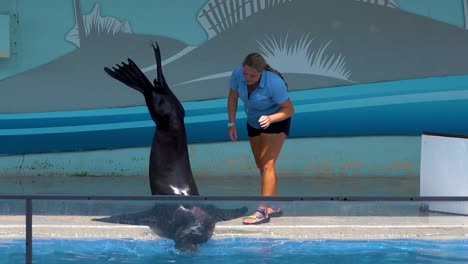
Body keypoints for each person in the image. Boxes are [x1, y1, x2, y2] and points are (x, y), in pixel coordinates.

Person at [227, 52, 295, 225]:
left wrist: (270, 118)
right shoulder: (237, 74)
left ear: (261, 72)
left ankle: (262, 211)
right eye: (246, 73)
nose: (248, 78)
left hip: (276, 121)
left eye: (253, 75)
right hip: (253, 121)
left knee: (267, 164)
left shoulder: (274, 83)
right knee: (261, 165)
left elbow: (289, 110)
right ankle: (275, 204)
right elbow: (233, 98)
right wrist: (232, 123)